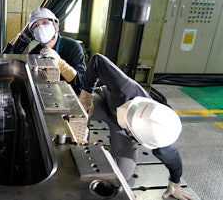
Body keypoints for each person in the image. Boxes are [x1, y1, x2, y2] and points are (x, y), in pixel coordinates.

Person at [78, 53, 193, 200]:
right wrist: (86, 95)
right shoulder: (124, 87)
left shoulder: (162, 138)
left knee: (123, 175)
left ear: (139, 138)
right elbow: (97, 60)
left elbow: (174, 162)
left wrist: (174, 182)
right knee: (77, 115)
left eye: (127, 120)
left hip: (124, 134)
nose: (123, 111)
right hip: (103, 102)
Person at [27, 7, 86, 95]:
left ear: (56, 25)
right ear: (33, 33)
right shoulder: (34, 53)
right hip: (46, 95)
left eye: (45, 22)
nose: (41, 28)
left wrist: (61, 64)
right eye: (36, 26)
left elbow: (81, 84)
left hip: (70, 96)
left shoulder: (73, 47)